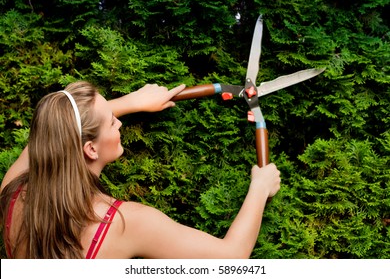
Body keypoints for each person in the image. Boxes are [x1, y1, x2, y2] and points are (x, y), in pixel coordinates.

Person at [0, 81, 281, 259]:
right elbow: (229, 257)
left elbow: (55, 132)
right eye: (112, 122)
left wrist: (130, 102)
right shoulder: (123, 224)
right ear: (91, 150)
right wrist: (259, 188)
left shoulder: (12, 194)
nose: (119, 123)